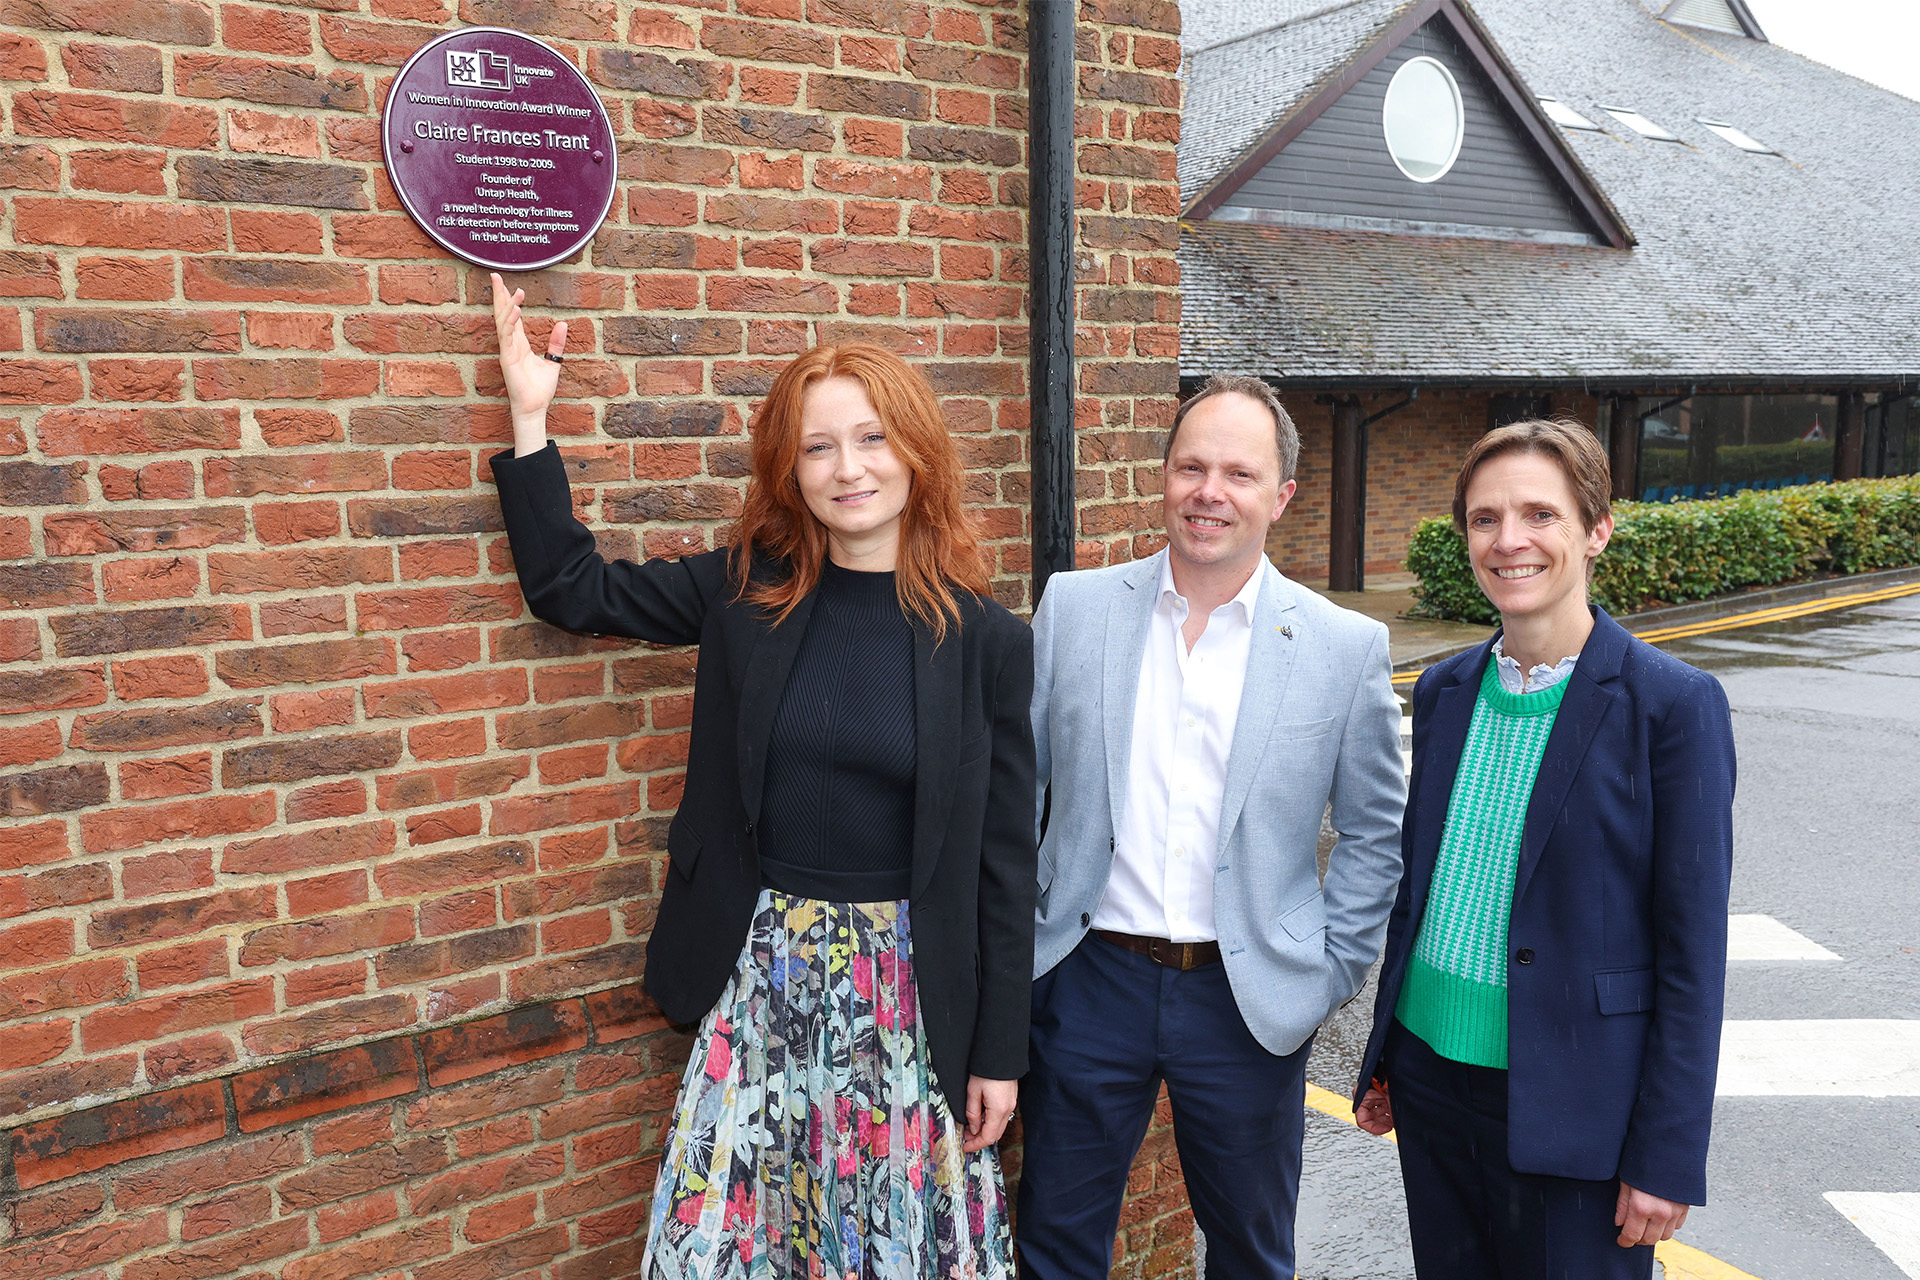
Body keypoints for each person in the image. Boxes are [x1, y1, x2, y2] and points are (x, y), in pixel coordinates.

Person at [484, 275, 1036, 1280]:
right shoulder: (747, 588)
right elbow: (573, 588)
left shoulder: (984, 640)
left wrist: (1000, 1048)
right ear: (791, 469)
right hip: (763, 970)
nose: (847, 468)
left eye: (871, 438)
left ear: (915, 450)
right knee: (745, 1241)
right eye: (817, 446)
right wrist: (531, 415)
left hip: (906, 991)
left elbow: (1004, 866)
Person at [1018, 375, 1406, 1279]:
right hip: (1086, 983)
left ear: (1281, 496)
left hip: (1246, 999)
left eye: (1238, 472)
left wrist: (1326, 971)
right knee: (1054, 1246)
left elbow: (1375, 834)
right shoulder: (1073, 611)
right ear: (1164, 478)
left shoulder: (1344, 649)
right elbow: (1015, 793)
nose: (1209, 491)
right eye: (1192, 466)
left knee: (1250, 1254)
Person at [1352, 419, 1736, 1279]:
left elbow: (1692, 953)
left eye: (1540, 515)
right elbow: (1428, 892)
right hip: (1432, 1079)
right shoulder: (1447, 688)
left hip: (1578, 1106)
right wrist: (1386, 1056)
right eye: (1485, 519)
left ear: (1596, 529)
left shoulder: (1671, 706)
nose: (1509, 540)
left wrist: (1664, 1155)